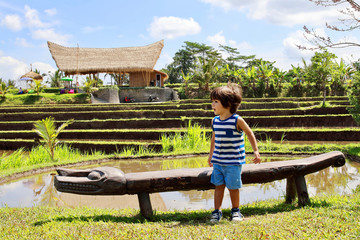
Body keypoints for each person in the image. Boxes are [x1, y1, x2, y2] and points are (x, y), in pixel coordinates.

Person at [208, 83, 261, 223]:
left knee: (233, 187)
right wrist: (210, 156)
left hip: (233, 162)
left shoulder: (237, 120)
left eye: (215, 102)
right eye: (212, 101)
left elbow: (249, 133)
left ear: (227, 103)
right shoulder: (215, 121)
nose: (212, 104)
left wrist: (255, 150)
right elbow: (214, 139)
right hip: (218, 161)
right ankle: (217, 211)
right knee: (218, 186)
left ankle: (236, 211)